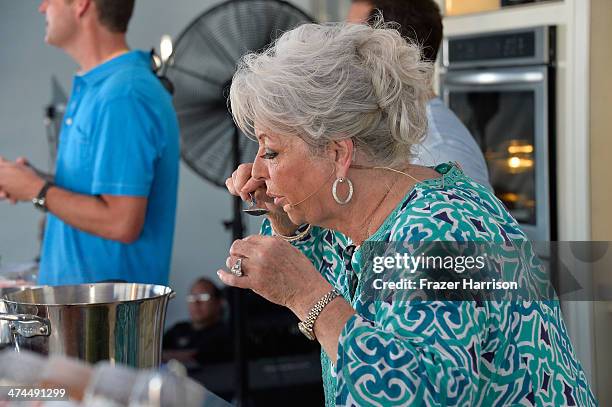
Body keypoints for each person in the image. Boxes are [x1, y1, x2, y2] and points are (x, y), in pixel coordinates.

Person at [220, 21, 597, 406]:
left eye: (271, 152)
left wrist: (307, 297)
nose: (258, 171)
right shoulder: (374, 215)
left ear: (337, 153)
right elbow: (340, 274)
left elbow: (422, 394)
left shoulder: (442, 231)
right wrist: (284, 217)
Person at [0, 0, 179, 285]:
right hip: (80, 314)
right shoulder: (103, 88)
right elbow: (95, 193)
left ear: (81, 4)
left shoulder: (124, 94)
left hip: (104, 322)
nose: (42, 8)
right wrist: (29, 180)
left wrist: (37, 189)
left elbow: (121, 222)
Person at [347, 0, 491, 188]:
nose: (346, 56)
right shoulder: (396, 132)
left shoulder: (441, 152)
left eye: (355, 43)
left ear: (392, 49)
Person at [163, 278, 232, 365]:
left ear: (219, 302)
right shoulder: (178, 329)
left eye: (203, 297)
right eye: (192, 297)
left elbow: (201, 358)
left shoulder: (227, 333)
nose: (196, 302)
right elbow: (154, 353)